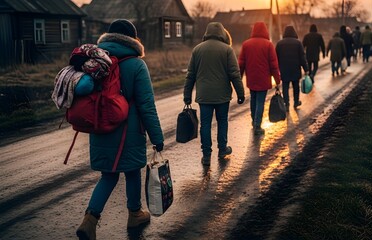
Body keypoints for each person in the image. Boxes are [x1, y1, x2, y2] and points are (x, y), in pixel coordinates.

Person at [75, 19, 165, 239]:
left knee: (108, 176)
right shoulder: (136, 64)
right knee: (132, 171)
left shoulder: (95, 61)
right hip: (128, 131)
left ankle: (90, 220)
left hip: (100, 127)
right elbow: (146, 105)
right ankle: (134, 213)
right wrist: (157, 136)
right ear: (132, 39)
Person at [183, 22, 245, 166]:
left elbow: (190, 75)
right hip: (222, 95)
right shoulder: (227, 50)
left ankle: (206, 155)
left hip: (204, 95)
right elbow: (234, 74)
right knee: (222, 121)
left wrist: (187, 95)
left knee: (205, 125)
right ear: (222, 34)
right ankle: (222, 149)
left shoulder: (197, 50)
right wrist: (240, 93)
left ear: (207, 32)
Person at [238, 21, 281, 135]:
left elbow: (241, 63)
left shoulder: (246, 44)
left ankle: (254, 121)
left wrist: (238, 78)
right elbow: (273, 65)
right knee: (260, 102)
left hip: (251, 78)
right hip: (263, 78)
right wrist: (277, 80)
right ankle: (257, 125)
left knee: (253, 99)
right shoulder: (268, 44)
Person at [275, 26, 308, 110]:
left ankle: (286, 103)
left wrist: (276, 69)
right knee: (296, 86)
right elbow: (302, 57)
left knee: (285, 86)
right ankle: (296, 102)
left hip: (284, 69)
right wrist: (306, 69)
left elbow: (276, 58)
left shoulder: (279, 44)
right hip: (295, 69)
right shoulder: (298, 43)